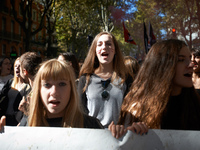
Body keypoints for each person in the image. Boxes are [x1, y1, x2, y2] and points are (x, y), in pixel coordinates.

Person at [0, 59, 148, 139]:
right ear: (38, 90)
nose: (54, 92)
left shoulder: (90, 125)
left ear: (72, 89)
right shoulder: (27, 125)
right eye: (47, 85)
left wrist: (129, 138)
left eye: (62, 84)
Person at [118, 39, 200, 130]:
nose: (191, 64)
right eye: (181, 60)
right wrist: (131, 134)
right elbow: (126, 142)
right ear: (163, 66)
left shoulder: (195, 102)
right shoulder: (138, 110)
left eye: (190, 58)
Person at [78, 31, 133, 128]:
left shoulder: (126, 78)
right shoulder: (84, 79)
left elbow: (131, 110)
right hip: (92, 135)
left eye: (108, 44)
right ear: (95, 51)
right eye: (99, 44)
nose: (104, 47)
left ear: (115, 50)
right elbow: (80, 111)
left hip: (119, 136)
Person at [0, 57, 30, 126]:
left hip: (17, 120)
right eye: (15, 66)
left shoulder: (28, 86)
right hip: (5, 117)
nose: (17, 68)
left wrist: (22, 121)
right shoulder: (10, 82)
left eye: (19, 66)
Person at [17, 52, 42, 126]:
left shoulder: (40, 91)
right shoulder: (31, 89)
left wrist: (27, 112)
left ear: (25, 71)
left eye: (20, 68)